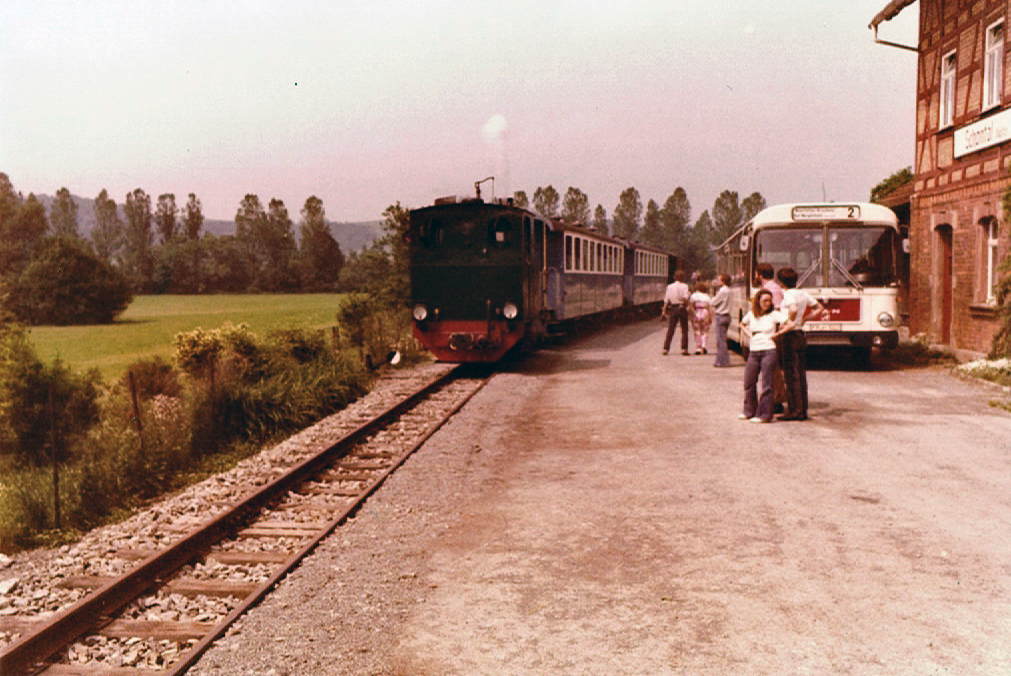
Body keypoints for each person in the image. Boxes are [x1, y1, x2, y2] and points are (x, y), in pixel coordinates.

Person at [776, 266, 829, 421]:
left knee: (791, 374)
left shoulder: (788, 295)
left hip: (789, 335)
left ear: (781, 282)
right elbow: (819, 307)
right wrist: (805, 318)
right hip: (800, 334)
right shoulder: (803, 293)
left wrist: (788, 323)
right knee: (800, 373)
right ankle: (802, 409)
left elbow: (792, 308)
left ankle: (794, 410)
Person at [739, 289, 787, 423]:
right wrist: (749, 334)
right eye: (764, 300)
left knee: (767, 384)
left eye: (769, 300)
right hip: (754, 351)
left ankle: (765, 414)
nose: (768, 303)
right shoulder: (751, 315)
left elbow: (790, 323)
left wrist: (777, 334)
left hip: (768, 350)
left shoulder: (774, 314)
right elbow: (742, 324)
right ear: (758, 301)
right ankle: (749, 410)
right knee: (749, 381)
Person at [662, 270, 691, 355]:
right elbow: (686, 298)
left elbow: (666, 300)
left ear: (674, 277)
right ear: (683, 278)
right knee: (684, 329)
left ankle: (666, 348)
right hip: (682, 308)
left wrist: (664, 311)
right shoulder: (685, 286)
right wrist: (687, 306)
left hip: (673, 308)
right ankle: (684, 349)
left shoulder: (669, 286)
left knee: (671, 328)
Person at [711, 274, 732, 367]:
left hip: (721, 315)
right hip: (727, 315)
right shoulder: (730, 290)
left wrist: (713, 292)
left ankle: (723, 361)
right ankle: (720, 360)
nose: (717, 281)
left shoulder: (722, 291)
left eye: (719, 280)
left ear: (723, 281)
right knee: (723, 339)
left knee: (721, 340)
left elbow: (713, 302)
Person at [689, 281, 713, 355]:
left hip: (696, 312)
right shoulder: (707, 297)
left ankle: (698, 348)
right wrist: (710, 317)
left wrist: (691, 315)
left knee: (697, 331)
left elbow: (691, 306)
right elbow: (710, 308)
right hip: (705, 313)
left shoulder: (693, 296)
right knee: (705, 331)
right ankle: (704, 346)